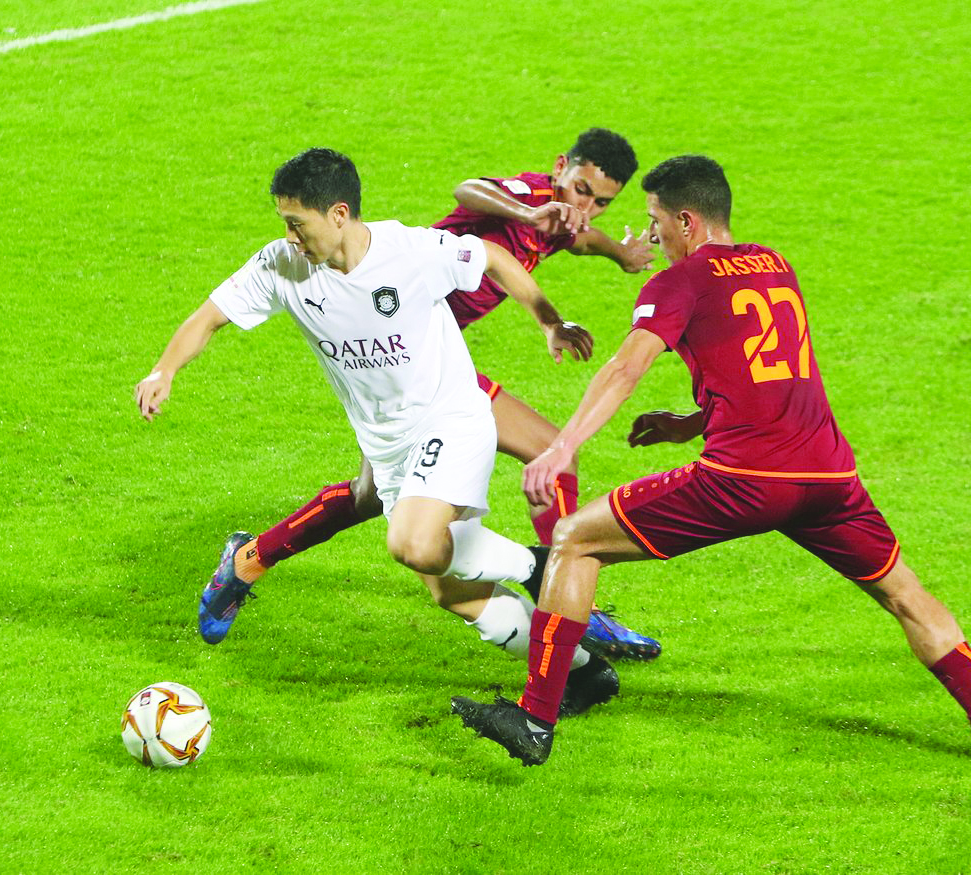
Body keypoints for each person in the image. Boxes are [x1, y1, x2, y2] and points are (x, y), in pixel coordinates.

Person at [451, 154, 971, 768]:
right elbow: (771, 371)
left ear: (686, 220)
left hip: (743, 481)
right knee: (905, 594)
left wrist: (562, 446)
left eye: (655, 221)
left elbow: (625, 369)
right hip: (829, 478)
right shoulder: (775, 265)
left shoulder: (678, 282)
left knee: (573, 540)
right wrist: (691, 422)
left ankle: (534, 719)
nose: (652, 235)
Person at [135, 148, 618, 717]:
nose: (289, 236)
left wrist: (550, 321)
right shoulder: (282, 265)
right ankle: (583, 673)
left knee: (412, 544)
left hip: (450, 419)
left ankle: (540, 567)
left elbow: (491, 256)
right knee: (451, 590)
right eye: (284, 223)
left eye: (297, 223)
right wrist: (164, 370)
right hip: (387, 444)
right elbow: (209, 317)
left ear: (338, 214)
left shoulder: (409, 252)